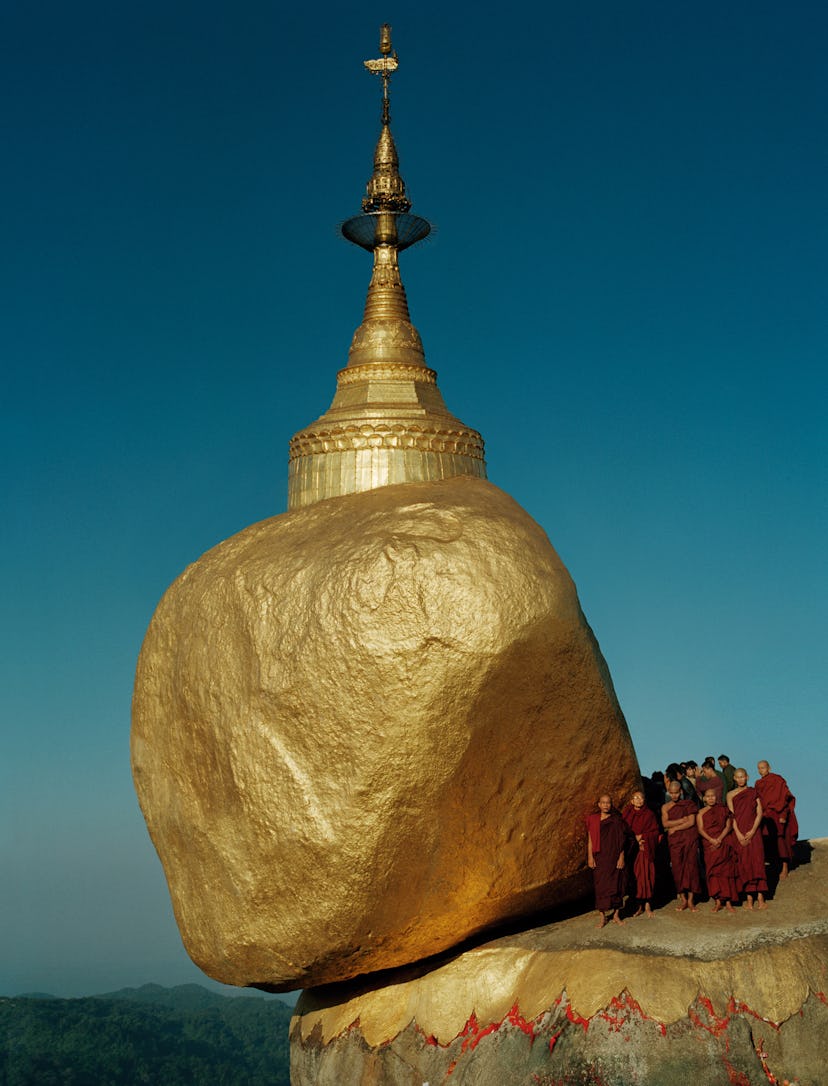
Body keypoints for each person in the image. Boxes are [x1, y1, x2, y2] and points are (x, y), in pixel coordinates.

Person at [727, 768, 767, 909]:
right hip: (739, 832)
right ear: (734, 778)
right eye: (737, 777)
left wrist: (753, 830)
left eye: (742, 776)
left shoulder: (753, 792)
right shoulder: (730, 795)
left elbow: (759, 812)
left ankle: (761, 898)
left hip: (754, 832)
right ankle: (749, 899)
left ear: (747, 777)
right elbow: (732, 817)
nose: (740, 779)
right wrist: (738, 834)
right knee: (744, 864)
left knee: (757, 862)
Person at [586, 794, 628, 928]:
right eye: (603, 803)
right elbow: (590, 840)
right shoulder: (593, 820)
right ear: (599, 804)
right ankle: (602, 917)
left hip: (614, 857)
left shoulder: (617, 820)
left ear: (611, 804)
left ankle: (616, 915)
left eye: (608, 803)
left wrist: (621, 857)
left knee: (616, 885)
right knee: (601, 887)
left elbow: (622, 841)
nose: (605, 805)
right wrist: (590, 857)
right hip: (600, 857)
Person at [662, 779, 702, 911]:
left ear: (681, 792)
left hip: (688, 839)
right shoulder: (665, 807)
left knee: (691, 868)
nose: (674, 796)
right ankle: (683, 900)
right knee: (678, 869)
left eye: (676, 793)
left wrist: (675, 828)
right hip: (675, 843)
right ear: (668, 792)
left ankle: (691, 900)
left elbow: (691, 822)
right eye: (672, 793)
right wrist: (680, 821)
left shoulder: (688, 804)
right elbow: (665, 824)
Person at [755, 761, 798, 880]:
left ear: (769, 768)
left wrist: (783, 815)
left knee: (780, 839)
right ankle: (774, 866)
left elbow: (785, 797)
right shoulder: (758, 783)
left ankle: (785, 867)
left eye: (763, 768)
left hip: (777, 813)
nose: (761, 770)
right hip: (765, 815)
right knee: (766, 839)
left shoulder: (777, 780)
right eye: (759, 768)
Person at [697, 788, 738, 913]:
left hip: (723, 842)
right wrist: (711, 840)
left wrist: (719, 838)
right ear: (704, 798)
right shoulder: (701, 813)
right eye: (708, 796)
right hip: (709, 845)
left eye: (712, 796)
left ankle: (729, 902)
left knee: (727, 872)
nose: (710, 798)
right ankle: (718, 902)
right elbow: (700, 829)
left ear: (717, 797)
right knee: (713, 873)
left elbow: (728, 825)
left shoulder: (723, 809)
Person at [622, 790, 660, 918]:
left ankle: (648, 905)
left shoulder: (649, 814)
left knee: (647, 877)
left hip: (645, 850)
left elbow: (655, 832)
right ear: (631, 801)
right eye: (635, 798)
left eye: (641, 798)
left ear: (644, 800)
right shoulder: (627, 814)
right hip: (632, 851)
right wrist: (635, 840)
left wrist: (642, 837)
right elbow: (623, 832)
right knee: (635, 878)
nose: (638, 800)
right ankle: (638, 906)